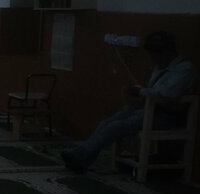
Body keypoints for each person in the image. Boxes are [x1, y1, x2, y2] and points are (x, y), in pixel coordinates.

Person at [61, 30, 195, 174]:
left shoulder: (184, 69)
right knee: (107, 122)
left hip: (166, 115)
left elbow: (168, 94)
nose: (153, 58)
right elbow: (153, 90)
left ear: (167, 52)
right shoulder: (160, 67)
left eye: (155, 54)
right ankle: (82, 155)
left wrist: (140, 91)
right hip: (149, 108)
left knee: (117, 126)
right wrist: (139, 93)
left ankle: (81, 154)